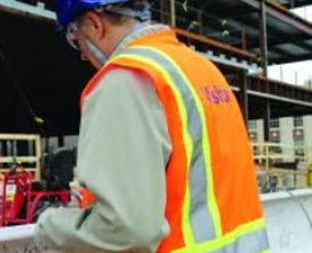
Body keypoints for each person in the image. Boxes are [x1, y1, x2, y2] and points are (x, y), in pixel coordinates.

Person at [34, 0, 270, 252]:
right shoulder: (200, 68)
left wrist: (48, 224)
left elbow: (126, 230)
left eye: (75, 39)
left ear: (94, 23)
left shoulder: (124, 81)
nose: (81, 53)